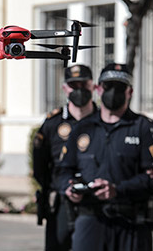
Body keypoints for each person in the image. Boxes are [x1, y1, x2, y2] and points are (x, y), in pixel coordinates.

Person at [59, 63, 153, 251]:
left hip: (131, 222)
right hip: (90, 218)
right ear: (99, 89)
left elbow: (150, 177)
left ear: (130, 91)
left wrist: (117, 189)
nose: (113, 92)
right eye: (108, 87)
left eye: (119, 88)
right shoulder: (83, 128)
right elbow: (63, 171)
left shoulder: (143, 128)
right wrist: (69, 188)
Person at [33, 64, 97, 251]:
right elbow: (40, 165)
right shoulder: (53, 123)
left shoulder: (103, 120)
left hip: (96, 202)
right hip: (61, 202)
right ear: (64, 88)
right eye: (73, 85)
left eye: (83, 85)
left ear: (92, 86)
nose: (78, 90)